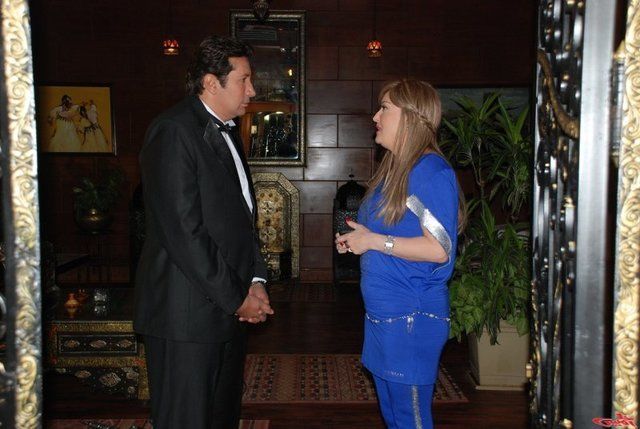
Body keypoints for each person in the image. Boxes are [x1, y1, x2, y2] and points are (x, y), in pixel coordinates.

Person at [134, 35, 274, 429]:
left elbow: (243, 220)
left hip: (224, 309)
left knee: (220, 417)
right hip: (185, 317)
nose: (252, 90)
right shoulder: (173, 130)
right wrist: (237, 299)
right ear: (211, 83)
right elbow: (185, 233)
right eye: (244, 80)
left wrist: (256, 280)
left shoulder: (228, 131)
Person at [335, 79, 464, 429]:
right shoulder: (396, 170)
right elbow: (390, 233)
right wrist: (357, 239)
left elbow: (439, 249)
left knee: (410, 419)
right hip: (386, 317)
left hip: (411, 318)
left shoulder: (429, 172)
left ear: (410, 116)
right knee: (395, 417)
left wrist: (375, 242)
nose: (375, 116)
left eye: (385, 108)